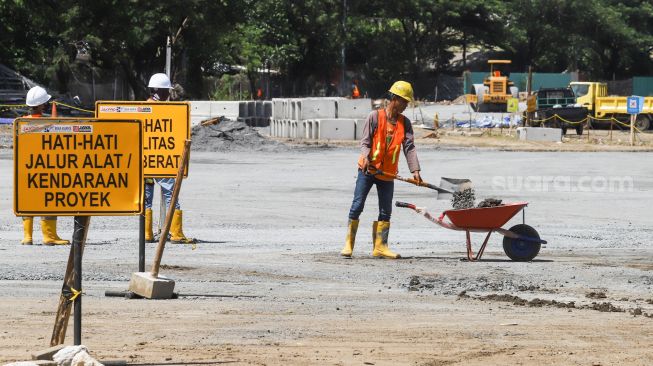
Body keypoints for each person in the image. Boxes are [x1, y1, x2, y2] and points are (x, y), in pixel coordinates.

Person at [341, 81, 421, 259]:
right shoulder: (375, 117)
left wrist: (415, 170)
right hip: (368, 170)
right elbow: (365, 142)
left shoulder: (405, 123)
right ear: (395, 99)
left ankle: (380, 247)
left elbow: (409, 147)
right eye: (405, 102)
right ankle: (348, 244)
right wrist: (368, 159)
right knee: (357, 205)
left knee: (386, 211)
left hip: (388, 174)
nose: (406, 106)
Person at [144, 73, 195, 244]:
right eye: (166, 91)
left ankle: (147, 234)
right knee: (171, 194)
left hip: (144, 163)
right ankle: (176, 233)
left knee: (146, 197)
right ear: (159, 91)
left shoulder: (142, 107)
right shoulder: (163, 110)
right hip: (160, 161)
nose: (168, 95)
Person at [20, 86, 70, 246]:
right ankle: (49, 236)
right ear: (42, 105)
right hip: (46, 167)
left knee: (27, 198)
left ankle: (27, 236)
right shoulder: (48, 124)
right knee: (49, 199)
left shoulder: (21, 122)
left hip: (26, 167)